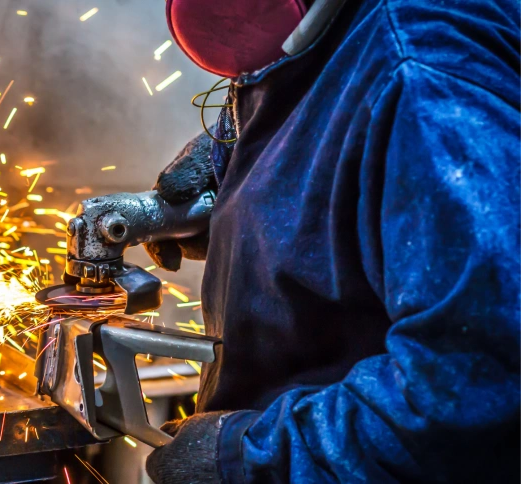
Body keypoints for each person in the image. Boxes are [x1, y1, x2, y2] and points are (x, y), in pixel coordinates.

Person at [142, 0, 520, 482]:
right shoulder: (340, 24)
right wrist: (234, 165)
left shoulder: (423, 77)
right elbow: (334, 98)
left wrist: (250, 459)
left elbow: (478, 382)